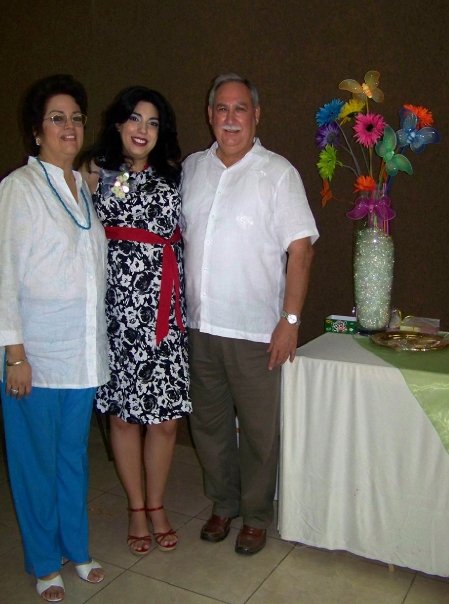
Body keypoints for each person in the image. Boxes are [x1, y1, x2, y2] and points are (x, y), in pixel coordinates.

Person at [181, 73, 319, 555]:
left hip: (256, 331)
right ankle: (224, 504)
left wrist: (291, 321)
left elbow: (301, 251)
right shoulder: (192, 169)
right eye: (222, 108)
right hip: (200, 327)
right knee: (209, 426)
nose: (230, 118)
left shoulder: (278, 173)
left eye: (240, 108)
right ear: (210, 115)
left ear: (256, 115)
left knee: (260, 432)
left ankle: (256, 515)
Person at [0, 74, 109, 602]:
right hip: (33, 356)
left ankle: (75, 548)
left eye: (76, 117)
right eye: (57, 118)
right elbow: (2, 277)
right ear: (36, 131)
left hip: (81, 354)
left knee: (72, 458)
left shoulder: (83, 188)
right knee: (36, 463)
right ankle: (43, 561)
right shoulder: (18, 189)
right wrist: (15, 355)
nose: (69, 126)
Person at [81, 86, 191, 556]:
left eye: (153, 122)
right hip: (118, 315)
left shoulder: (177, 175)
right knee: (124, 418)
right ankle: (136, 508)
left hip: (165, 314)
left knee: (165, 422)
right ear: (118, 124)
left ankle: (158, 503)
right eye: (135, 119)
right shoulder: (96, 173)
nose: (143, 129)